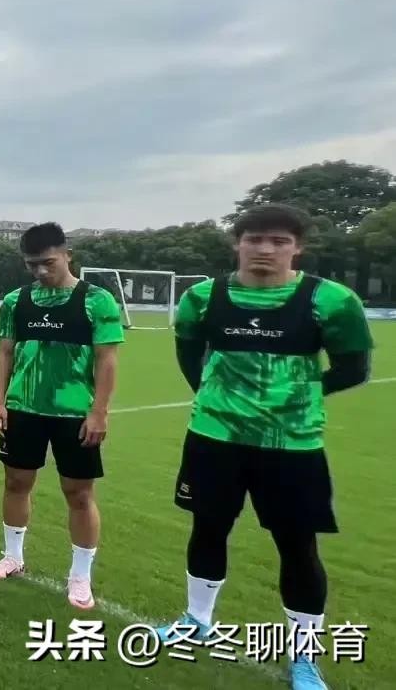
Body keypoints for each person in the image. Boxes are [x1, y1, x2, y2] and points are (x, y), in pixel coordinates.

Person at [155, 204, 372, 690]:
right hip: (214, 438)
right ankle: (196, 620)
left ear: (298, 247)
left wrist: (298, 395)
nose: (265, 249)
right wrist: (215, 398)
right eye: (254, 239)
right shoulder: (202, 298)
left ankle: (304, 656)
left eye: (278, 241)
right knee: (208, 529)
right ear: (237, 243)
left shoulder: (330, 301)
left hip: (291, 444)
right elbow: (189, 357)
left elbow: (354, 368)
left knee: (297, 547)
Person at [0, 223, 123, 611]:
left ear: (67, 255)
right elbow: (5, 353)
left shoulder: (96, 301)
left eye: (48, 263)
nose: (41, 271)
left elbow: (107, 360)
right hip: (23, 409)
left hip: (74, 413)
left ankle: (80, 575)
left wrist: (99, 412)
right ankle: (13, 556)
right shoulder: (16, 301)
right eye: (32, 265)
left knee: (79, 493)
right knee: (16, 482)